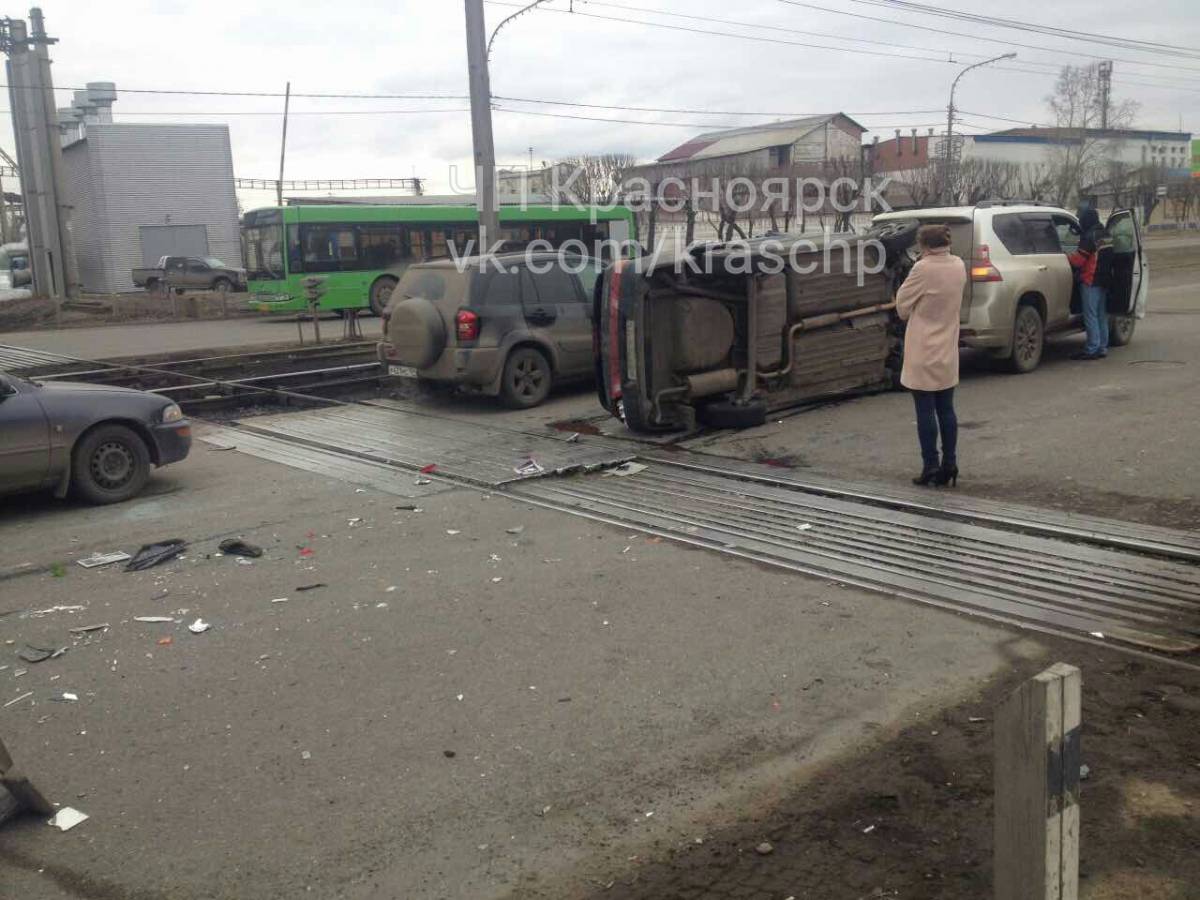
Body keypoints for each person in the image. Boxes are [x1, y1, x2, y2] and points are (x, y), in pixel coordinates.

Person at [895, 224, 968, 487]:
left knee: (925, 410)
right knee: (946, 408)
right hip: (947, 346)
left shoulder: (922, 269)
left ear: (925, 245)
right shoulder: (958, 265)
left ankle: (930, 465)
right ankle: (950, 463)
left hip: (923, 348)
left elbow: (902, 306)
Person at [1068, 226, 1113, 360]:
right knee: (1101, 315)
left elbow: (1078, 261)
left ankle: (1092, 348)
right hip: (1104, 280)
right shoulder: (1106, 234)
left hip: (1091, 280)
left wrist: (1066, 256)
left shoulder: (1089, 237)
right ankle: (1102, 347)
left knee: (1090, 315)